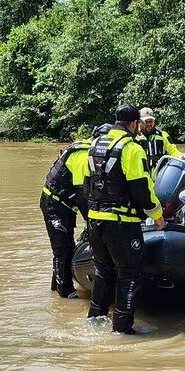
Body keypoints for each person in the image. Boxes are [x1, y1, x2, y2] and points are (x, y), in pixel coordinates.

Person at [85, 105, 166, 334]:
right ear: (133, 124)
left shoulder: (95, 145)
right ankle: (122, 330)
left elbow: (86, 184)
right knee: (129, 274)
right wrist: (157, 216)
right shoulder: (131, 148)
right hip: (121, 223)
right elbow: (141, 189)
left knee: (103, 271)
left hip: (95, 219)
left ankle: (95, 319)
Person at [41, 124, 111, 299]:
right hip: (54, 204)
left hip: (66, 203)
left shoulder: (94, 154)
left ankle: (55, 287)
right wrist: (95, 224)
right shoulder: (83, 155)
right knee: (62, 248)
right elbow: (84, 196)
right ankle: (64, 295)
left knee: (67, 245)